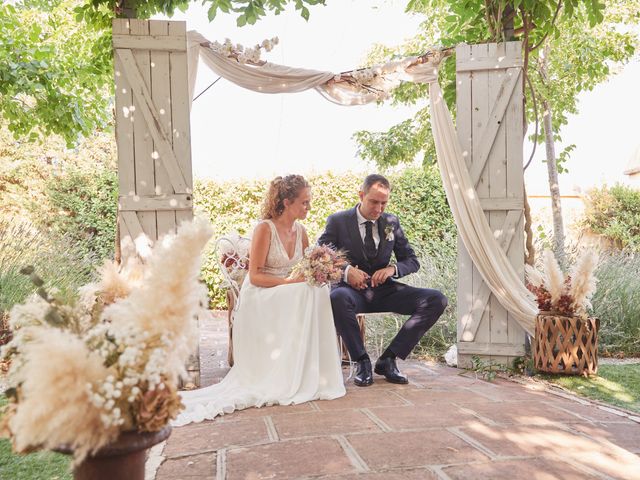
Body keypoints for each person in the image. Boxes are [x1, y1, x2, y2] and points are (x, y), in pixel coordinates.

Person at [174, 175, 345, 426]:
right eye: (304, 202)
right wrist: (290, 283)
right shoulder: (265, 229)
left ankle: (313, 372)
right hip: (261, 294)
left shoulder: (302, 231)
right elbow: (254, 276)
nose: (309, 207)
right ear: (287, 202)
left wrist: (320, 270)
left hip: (286, 291)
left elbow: (305, 266)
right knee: (303, 291)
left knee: (317, 289)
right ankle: (288, 374)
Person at [318, 174, 448, 387]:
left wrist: (392, 269)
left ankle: (388, 359)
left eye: (384, 203)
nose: (379, 209)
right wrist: (347, 271)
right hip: (352, 292)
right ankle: (362, 361)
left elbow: (411, 260)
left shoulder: (391, 222)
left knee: (436, 299)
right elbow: (321, 256)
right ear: (361, 195)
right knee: (337, 297)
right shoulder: (338, 221)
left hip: (385, 291)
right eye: (374, 202)